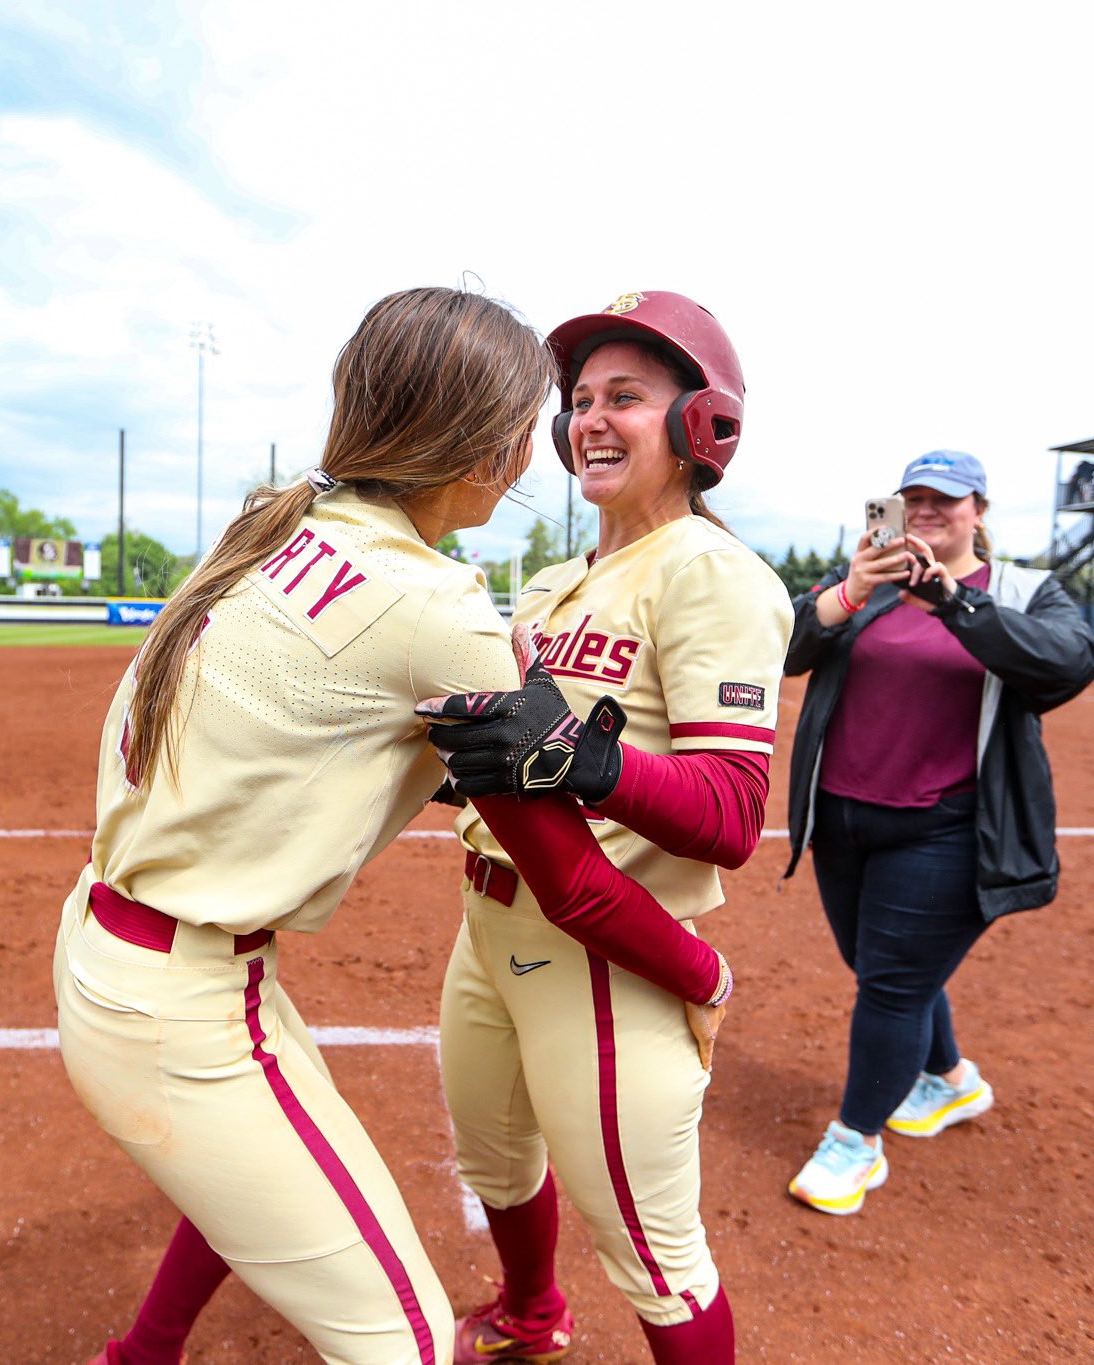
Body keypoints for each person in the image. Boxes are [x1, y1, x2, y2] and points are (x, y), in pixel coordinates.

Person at [57, 288, 734, 1365]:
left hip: (117, 944)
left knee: (272, 1164)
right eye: (540, 416)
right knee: (409, 1344)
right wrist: (701, 973)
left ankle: (141, 1351)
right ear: (486, 453)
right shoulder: (438, 605)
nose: (549, 438)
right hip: (182, 1000)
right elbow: (575, 884)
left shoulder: (271, 523)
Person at [415, 291, 790, 1363]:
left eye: (624, 397)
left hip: (604, 955)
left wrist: (593, 763)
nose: (589, 419)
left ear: (696, 424)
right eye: (578, 400)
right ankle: (531, 1313)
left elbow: (728, 818)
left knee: (655, 1255)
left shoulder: (710, 574)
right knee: (492, 1161)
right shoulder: (547, 583)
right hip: (487, 926)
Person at [779, 449, 1094, 1214]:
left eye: (945, 499)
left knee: (891, 987)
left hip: (947, 827)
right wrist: (850, 592)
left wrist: (956, 600)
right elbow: (782, 651)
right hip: (843, 819)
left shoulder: (1022, 588)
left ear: (978, 511)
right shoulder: (868, 582)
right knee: (888, 970)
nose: (925, 510)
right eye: (911, 497)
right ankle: (950, 1078)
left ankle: (856, 1142)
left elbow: (1068, 660)